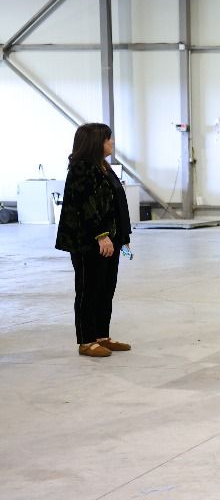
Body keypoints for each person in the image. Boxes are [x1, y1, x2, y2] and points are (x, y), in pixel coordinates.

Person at [54, 123, 132, 359]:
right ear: (96, 142)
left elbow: (115, 203)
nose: (112, 142)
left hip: (110, 239)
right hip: (88, 241)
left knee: (106, 288)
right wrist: (101, 235)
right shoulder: (82, 168)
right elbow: (85, 206)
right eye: (108, 139)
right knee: (89, 289)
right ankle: (86, 341)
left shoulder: (103, 167)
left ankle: (101, 336)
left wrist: (122, 237)